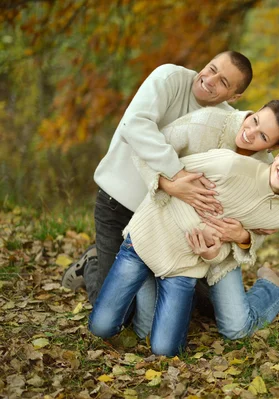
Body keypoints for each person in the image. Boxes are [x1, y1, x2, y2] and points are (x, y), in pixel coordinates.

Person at [89, 137, 279, 356]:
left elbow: (225, 244)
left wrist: (214, 253)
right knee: (101, 327)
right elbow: (169, 173)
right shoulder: (230, 164)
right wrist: (194, 226)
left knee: (165, 349)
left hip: (187, 265)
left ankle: (269, 290)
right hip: (147, 240)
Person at [61, 51, 257, 305]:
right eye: (211, 69)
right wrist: (176, 175)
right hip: (119, 204)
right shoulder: (170, 77)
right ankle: (94, 260)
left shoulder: (227, 120)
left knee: (208, 305)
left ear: (234, 96)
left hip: (163, 221)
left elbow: (249, 165)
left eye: (223, 82)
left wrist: (269, 203)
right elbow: (135, 125)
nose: (210, 80)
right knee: (116, 309)